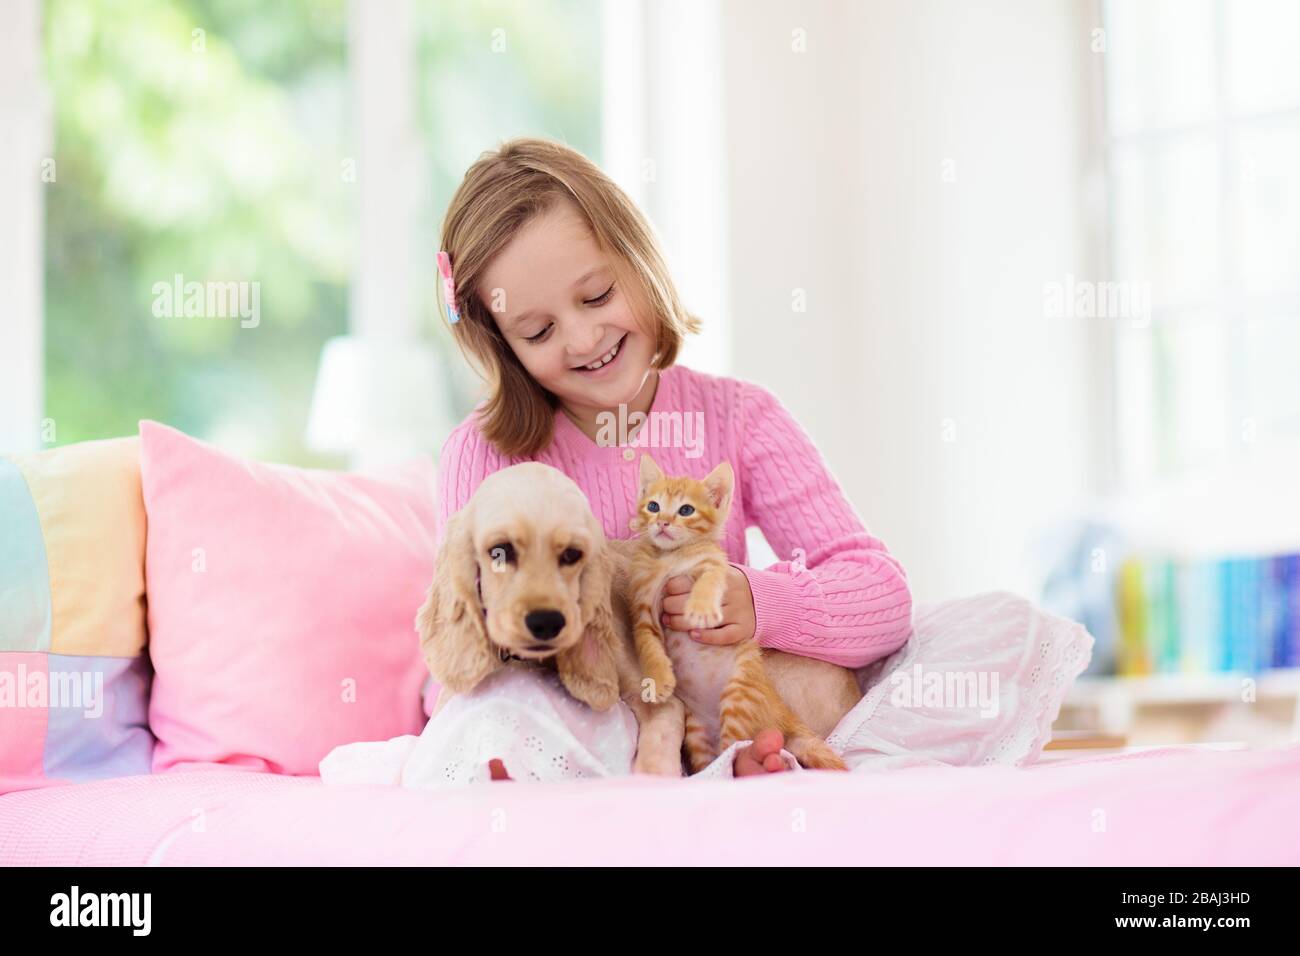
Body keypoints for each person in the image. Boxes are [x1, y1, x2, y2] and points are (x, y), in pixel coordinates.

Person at [426, 137, 912, 782]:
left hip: (718, 702)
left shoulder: (740, 418)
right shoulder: (483, 452)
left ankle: (732, 754)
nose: (583, 338)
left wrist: (757, 601)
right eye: (538, 332)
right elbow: (454, 665)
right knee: (500, 710)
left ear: (639, 260)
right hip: (586, 711)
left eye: (597, 295)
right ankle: (688, 764)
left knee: (914, 661)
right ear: (502, 344)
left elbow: (881, 596)